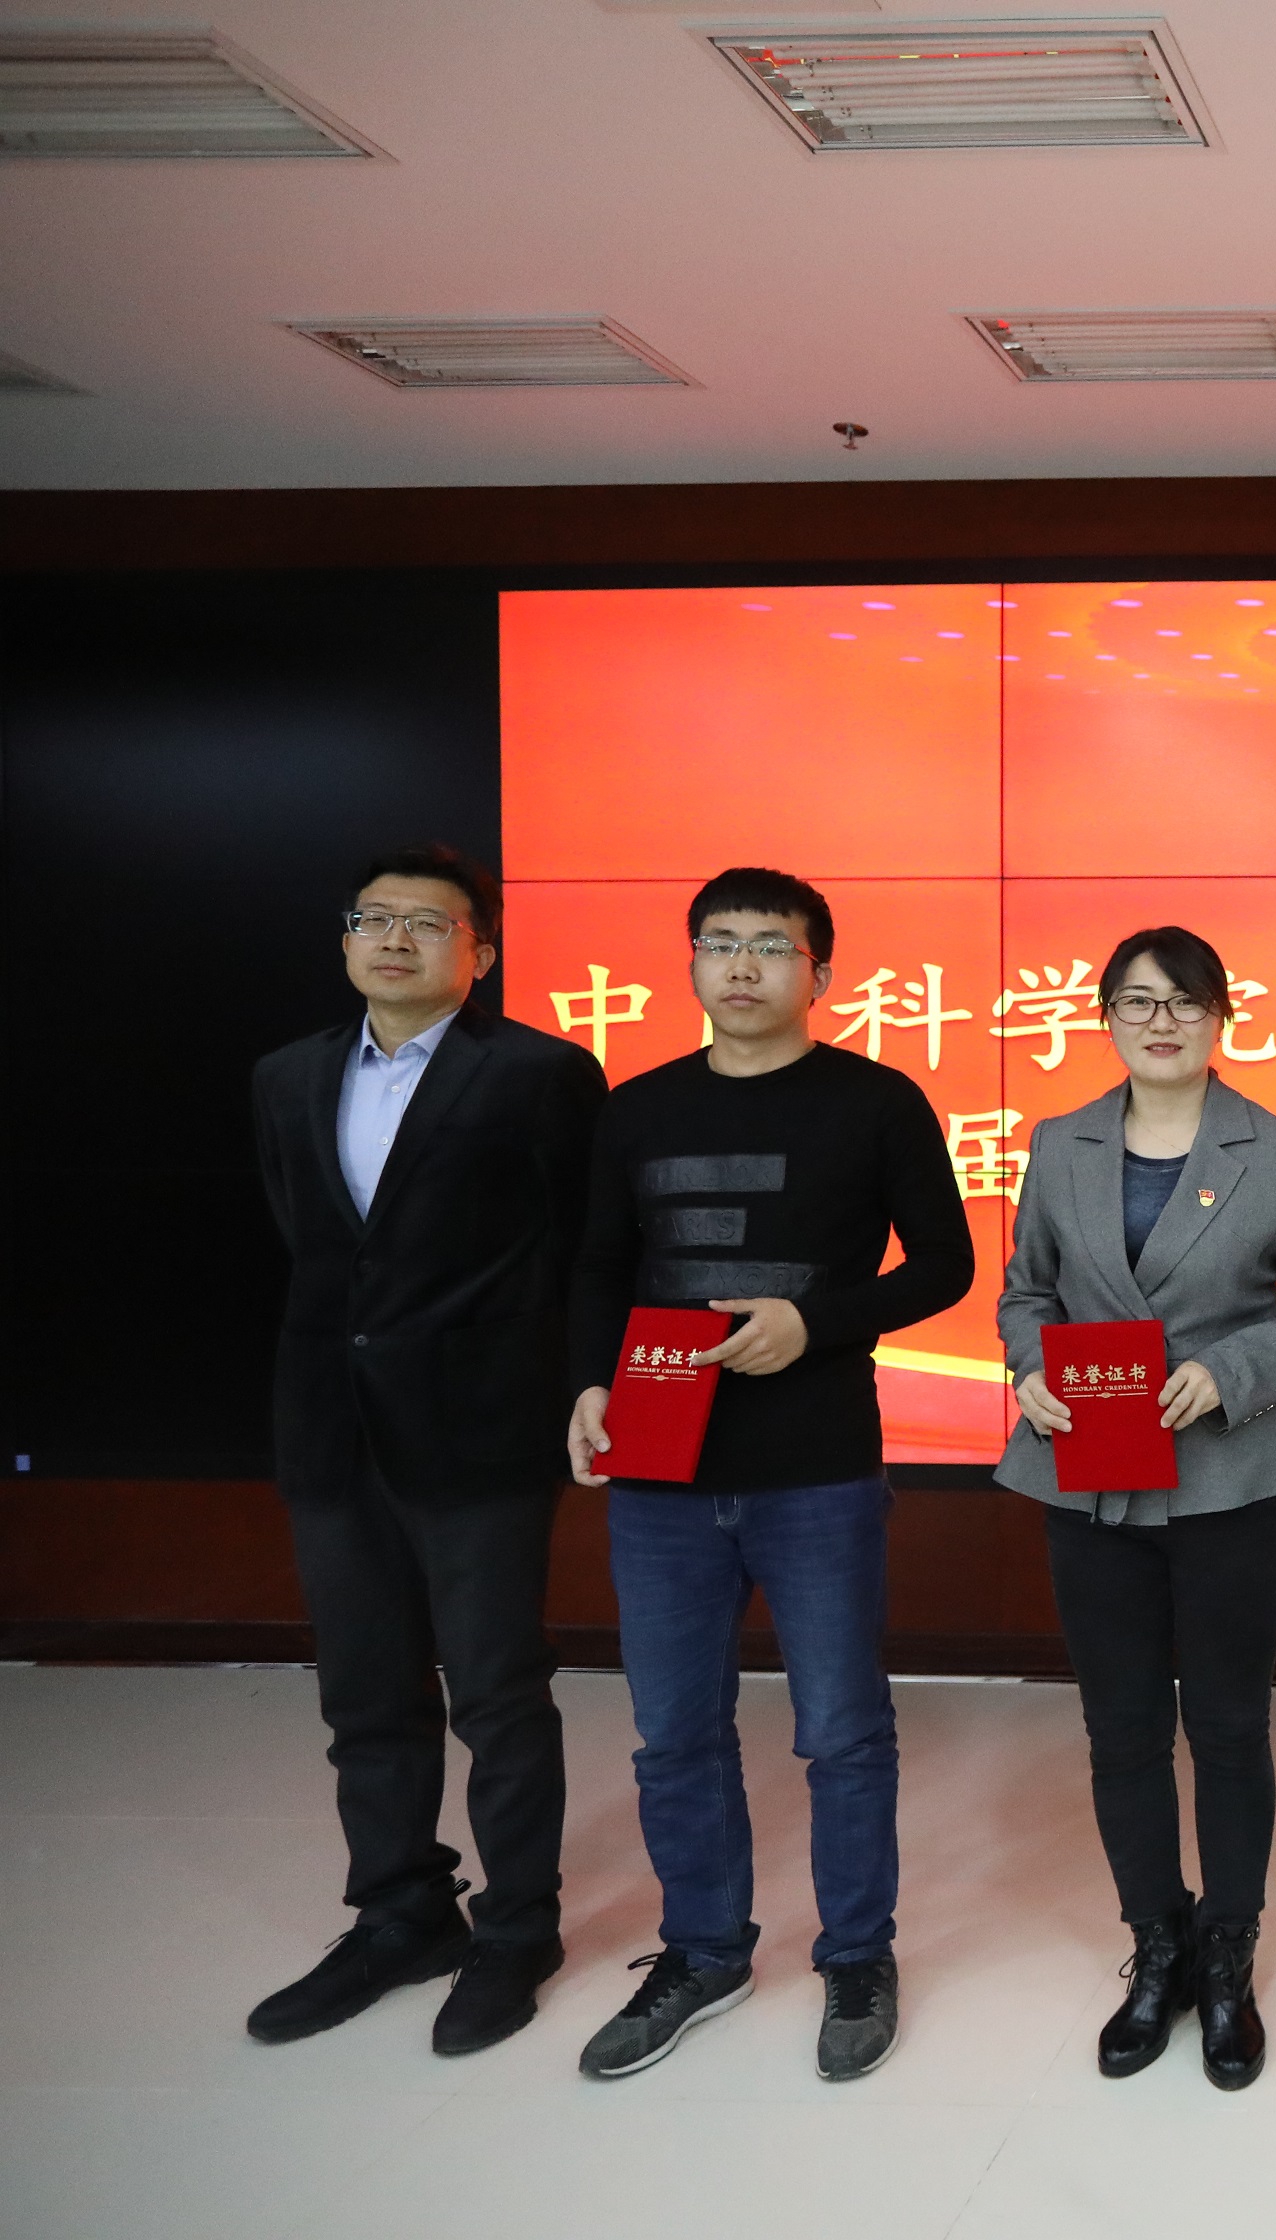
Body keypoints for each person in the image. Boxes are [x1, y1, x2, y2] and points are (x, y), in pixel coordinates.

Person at [562, 866, 974, 2083]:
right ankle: (703, 1949)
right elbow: (597, 1266)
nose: (742, 964)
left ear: (819, 972)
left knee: (842, 1730)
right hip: (659, 1465)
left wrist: (817, 1321)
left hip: (815, 1467)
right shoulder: (636, 1108)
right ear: (693, 961)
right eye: (719, 941)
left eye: (770, 945)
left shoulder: (877, 1101)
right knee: (672, 1733)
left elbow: (945, 1264)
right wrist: (587, 1383)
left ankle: (857, 1951)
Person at [245, 845, 605, 2056]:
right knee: (364, 1691)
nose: (395, 939)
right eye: (374, 919)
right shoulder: (287, 1073)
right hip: (331, 1426)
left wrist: (576, 1386)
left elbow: (581, 1246)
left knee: (497, 1691)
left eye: (427, 923)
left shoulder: (541, 1073)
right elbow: (315, 1245)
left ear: (479, 952)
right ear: (346, 937)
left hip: (482, 1430)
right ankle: (400, 1910)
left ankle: (519, 1926)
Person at [996, 925, 1276, 2092]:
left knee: (1227, 1724)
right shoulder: (1059, 1142)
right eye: (1138, 1001)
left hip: (1229, 1476)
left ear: (1221, 1017)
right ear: (1104, 1014)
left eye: (1185, 1002)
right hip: (1088, 1472)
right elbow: (1025, 1291)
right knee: (1120, 1730)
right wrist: (1029, 1367)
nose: (1161, 1023)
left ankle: (1228, 1955)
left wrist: (1233, 1369)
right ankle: (1155, 1945)